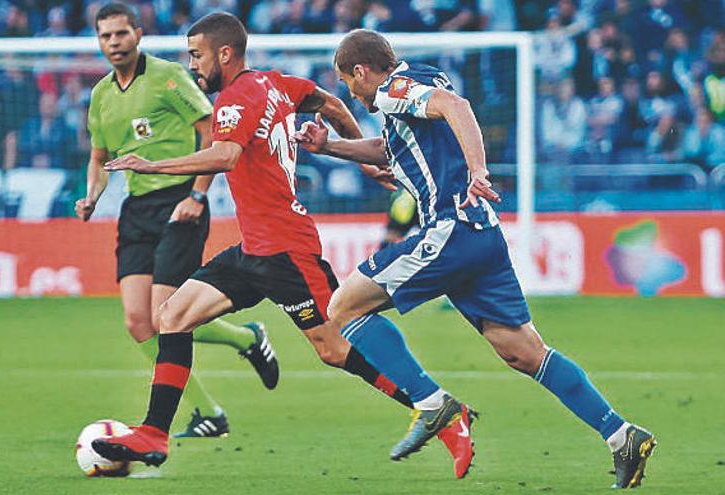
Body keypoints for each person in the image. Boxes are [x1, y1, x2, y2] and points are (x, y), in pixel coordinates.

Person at [90, 12, 475, 478]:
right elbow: (330, 102)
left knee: (334, 348)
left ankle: (440, 411)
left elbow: (225, 154)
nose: (192, 65)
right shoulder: (278, 84)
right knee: (171, 315)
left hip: (288, 252)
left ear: (224, 54)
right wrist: (363, 160)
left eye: (197, 55)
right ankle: (154, 433)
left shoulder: (236, 99)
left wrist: (149, 166)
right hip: (254, 249)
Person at [294, 29, 657, 489]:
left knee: (344, 306)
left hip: (450, 228)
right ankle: (622, 435)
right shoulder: (419, 80)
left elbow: (457, 108)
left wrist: (479, 171)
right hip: (481, 233)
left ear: (362, 71)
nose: (352, 92)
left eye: (349, 82)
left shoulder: (391, 90)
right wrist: (329, 147)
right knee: (523, 352)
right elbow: (393, 148)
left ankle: (431, 403)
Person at [74, 3, 279, 439]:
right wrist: (92, 196)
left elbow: (212, 133)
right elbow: (98, 157)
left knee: (165, 313)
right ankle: (234, 364)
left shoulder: (169, 76)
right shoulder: (102, 95)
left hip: (179, 201)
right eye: (106, 36)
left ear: (138, 34)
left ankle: (201, 405)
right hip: (136, 209)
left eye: (121, 34)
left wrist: (197, 195)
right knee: (137, 321)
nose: (114, 42)